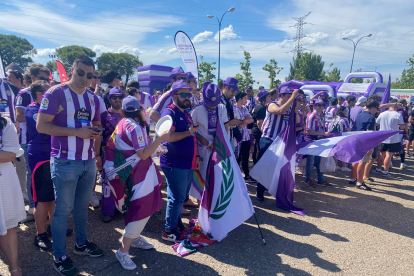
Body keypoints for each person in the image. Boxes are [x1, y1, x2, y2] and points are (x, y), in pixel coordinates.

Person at [37, 55, 104, 275]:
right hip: (65, 161)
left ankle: (81, 244)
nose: (85, 78)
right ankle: (59, 256)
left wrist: (95, 139)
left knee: (82, 206)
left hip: (87, 160)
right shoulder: (55, 93)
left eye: (90, 75)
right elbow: (41, 126)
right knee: (62, 211)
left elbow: (95, 124)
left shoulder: (93, 99)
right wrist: (76, 132)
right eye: (81, 73)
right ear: (72, 70)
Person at [103, 96, 168, 270]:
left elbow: (134, 150)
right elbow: (143, 155)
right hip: (132, 174)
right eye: (143, 109)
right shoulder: (135, 126)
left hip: (128, 172)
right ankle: (123, 252)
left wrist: (154, 149)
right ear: (139, 110)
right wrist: (160, 138)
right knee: (142, 206)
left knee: (136, 206)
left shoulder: (125, 122)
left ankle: (135, 236)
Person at [25, 81, 74, 251]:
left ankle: (53, 228)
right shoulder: (31, 109)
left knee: (53, 196)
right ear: (40, 94)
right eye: (48, 91)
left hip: (53, 155)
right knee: (42, 201)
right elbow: (46, 127)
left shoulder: (47, 109)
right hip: (40, 158)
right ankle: (40, 234)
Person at [159, 80, 200, 242]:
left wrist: (196, 157)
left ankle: (177, 224)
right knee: (176, 198)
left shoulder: (185, 112)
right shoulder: (169, 113)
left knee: (179, 196)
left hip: (187, 163)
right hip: (174, 163)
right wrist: (189, 133)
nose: (187, 97)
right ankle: (168, 230)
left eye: (188, 94)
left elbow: (193, 136)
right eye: (183, 94)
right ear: (174, 96)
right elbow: (167, 137)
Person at [15, 63, 51, 214]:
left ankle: (46, 208)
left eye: (48, 79)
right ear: (34, 77)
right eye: (43, 78)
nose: (47, 82)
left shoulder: (48, 95)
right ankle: (32, 205)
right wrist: (37, 116)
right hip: (27, 139)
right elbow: (18, 116)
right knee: (32, 174)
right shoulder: (23, 94)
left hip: (45, 142)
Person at [256, 87, 299, 200]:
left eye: (291, 96)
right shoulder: (272, 104)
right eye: (288, 96)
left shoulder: (289, 108)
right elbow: (279, 111)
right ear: (282, 96)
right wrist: (292, 99)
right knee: (266, 168)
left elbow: (298, 121)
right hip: (268, 140)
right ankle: (260, 191)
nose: (290, 98)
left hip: (280, 143)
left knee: (278, 169)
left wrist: (297, 108)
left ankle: (275, 190)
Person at [191, 82, 229, 199]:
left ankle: (213, 204)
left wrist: (218, 142)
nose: (212, 106)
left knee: (216, 177)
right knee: (202, 177)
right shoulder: (197, 110)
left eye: (214, 103)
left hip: (218, 148)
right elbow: (191, 131)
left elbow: (225, 128)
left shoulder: (222, 108)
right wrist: (202, 139)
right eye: (209, 103)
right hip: (203, 149)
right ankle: (201, 208)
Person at [0, 113, 26, 276]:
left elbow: (10, 154)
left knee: (7, 226)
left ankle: (14, 267)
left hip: (3, 181)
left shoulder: (4, 122)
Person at [99, 87, 125, 222]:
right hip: (108, 154)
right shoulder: (103, 115)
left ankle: (121, 208)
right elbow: (98, 136)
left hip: (125, 155)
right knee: (107, 183)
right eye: (114, 97)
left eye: (120, 97)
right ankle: (107, 211)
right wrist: (98, 155)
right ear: (109, 99)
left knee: (123, 181)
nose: (117, 100)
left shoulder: (127, 114)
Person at [351, 99, 380, 190]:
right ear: (373, 108)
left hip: (357, 139)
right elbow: (369, 133)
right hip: (365, 142)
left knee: (356, 161)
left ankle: (352, 179)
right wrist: (370, 147)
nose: (377, 110)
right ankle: (360, 182)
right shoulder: (371, 118)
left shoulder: (360, 115)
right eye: (377, 108)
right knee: (362, 163)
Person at [305, 99, 332, 187]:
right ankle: (308, 179)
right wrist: (323, 133)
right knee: (311, 161)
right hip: (312, 140)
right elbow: (309, 131)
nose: (321, 107)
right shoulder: (312, 116)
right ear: (315, 106)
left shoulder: (322, 115)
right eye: (319, 105)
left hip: (320, 140)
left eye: (322, 105)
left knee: (319, 161)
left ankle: (321, 180)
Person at [376, 101, 405, 177]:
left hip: (382, 136)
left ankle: (378, 168)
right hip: (393, 137)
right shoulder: (398, 114)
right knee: (389, 155)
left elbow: (377, 123)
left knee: (381, 153)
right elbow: (402, 127)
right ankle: (385, 171)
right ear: (396, 107)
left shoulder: (382, 114)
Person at [233, 92, 254, 181]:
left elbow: (251, 119)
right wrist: (245, 120)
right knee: (237, 158)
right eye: (245, 98)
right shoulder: (234, 108)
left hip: (246, 137)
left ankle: (247, 175)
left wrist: (244, 121)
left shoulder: (244, 108)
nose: (247, 100)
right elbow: (235, 121)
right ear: (240, 99)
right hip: (237, 138)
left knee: (245, 157)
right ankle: (236, 177)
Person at [220, 77, 243, 143]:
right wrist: (229, 123)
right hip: (221, 138)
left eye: (236, 92)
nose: (234, 94)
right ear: (226, 88)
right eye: (233, 91)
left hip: (230, 136)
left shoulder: (230, 101)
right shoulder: (218, 101)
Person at [251, 89, 271, 164]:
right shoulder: (261, 107)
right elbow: (259, 123)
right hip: (258, 131)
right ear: (264, 97)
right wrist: (263, 133)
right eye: (269, 96)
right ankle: (257, 168)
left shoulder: (258, 106)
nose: (270, 97)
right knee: (259, 150)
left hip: (256, 130)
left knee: (257, 149)